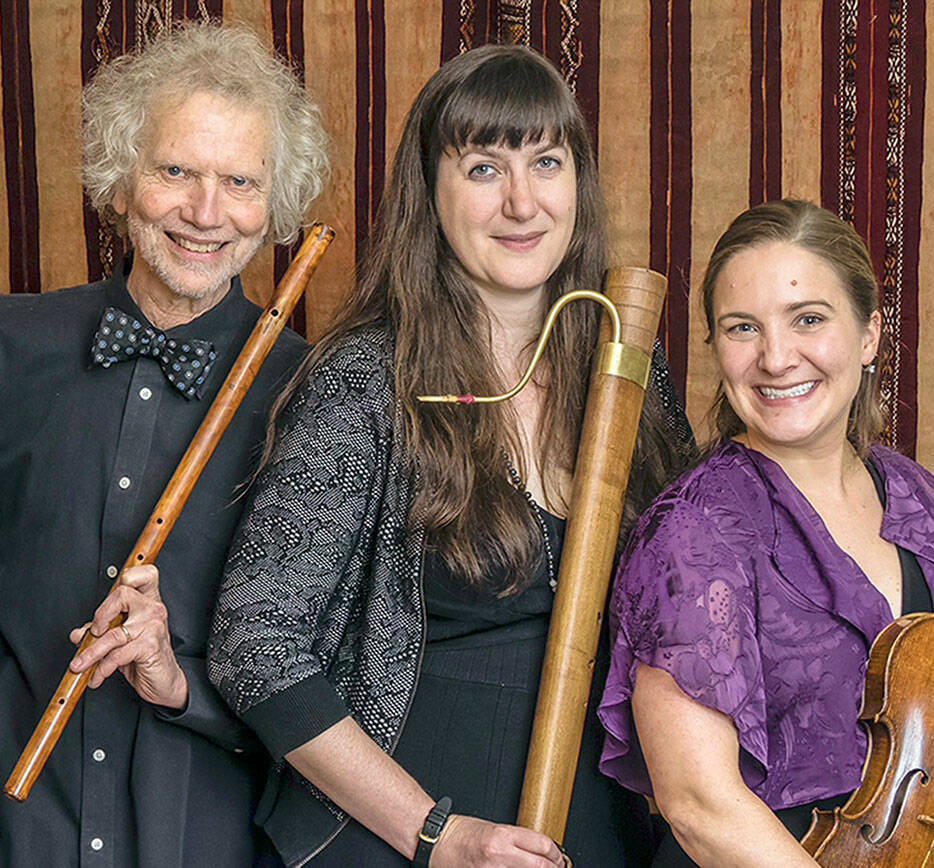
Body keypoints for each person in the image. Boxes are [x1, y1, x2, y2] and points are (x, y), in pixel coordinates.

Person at [208, 44, 693, 867]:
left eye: (546, 161)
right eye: (482, 168)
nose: (521, 200)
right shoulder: (367, 377)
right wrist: (438, 835)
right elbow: (252, 644)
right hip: (397, 836)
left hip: (600, 831)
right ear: (428, 193)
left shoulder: (631, 371)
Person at [0, 22, 328, 867]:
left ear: (273, 210)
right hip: (1, 838)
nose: (205, 212)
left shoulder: (315, 398)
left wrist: (177, 679)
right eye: (175, 172)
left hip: (205, 840)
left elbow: (332, 669)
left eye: (239, 182)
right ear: (120, 183)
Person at [597, 198, 934, 866]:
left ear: (869, 334)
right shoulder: (692, 532)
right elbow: (699, 807)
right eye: (742, 328)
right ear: (717, 348)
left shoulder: (917, 495)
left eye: (808, 319)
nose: (777, 358)